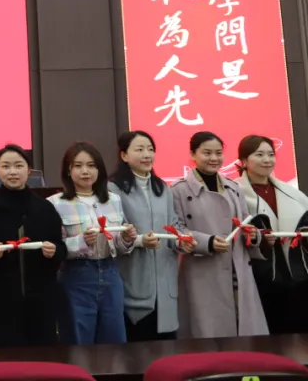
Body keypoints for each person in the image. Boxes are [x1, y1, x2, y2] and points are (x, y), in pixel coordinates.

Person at [172, 131, 268, 338]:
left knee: (244, 332)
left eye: (218, 153)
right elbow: (176, 231)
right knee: (209, 334)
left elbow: (245, 221)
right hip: (203, 272)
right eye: (207, 153)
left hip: (238, 268)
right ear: (193, 154)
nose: (214, 158)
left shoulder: (233, 188)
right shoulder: (178, 190)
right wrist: (206, 242)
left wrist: (253, 234)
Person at [0, 144, 66, 348]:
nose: (12, 172)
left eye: (18, 166)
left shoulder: (45, 208)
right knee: (0, 360)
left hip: (39, 302)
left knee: (41, 359)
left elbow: (61, 248)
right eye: (6, 166)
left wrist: (54, 251)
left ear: (29, 171)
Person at [49, 141, 137, 346]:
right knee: (78, 340)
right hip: (76, 275)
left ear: (99, 170)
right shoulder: (55, 203)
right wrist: (80, 242)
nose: (85, 171)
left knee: (114, 339)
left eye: (91, 165)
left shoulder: (113, 200)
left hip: (110, 273)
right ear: (68, 170)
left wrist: (127, 238)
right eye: (78, 166)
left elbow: (119, 246)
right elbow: (54, 248)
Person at [110, 130, 195, 342]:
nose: (147, 154)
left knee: (166, 349)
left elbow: (172, 226)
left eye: (150, 149)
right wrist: (139, 241)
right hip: (133, 281)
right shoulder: (113, 188)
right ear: (124, 155)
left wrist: (181, 241)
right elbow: (114, 232)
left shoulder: (162, 188)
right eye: (139, 149)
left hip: (165, 286)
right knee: (137, 349)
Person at [236, 134, 308, 335]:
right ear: (243, 160)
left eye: (270, 154)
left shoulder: (291, 192)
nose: (267, 160)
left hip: (296, 273)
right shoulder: (234, 192)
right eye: (259, 155)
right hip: (258, 275)